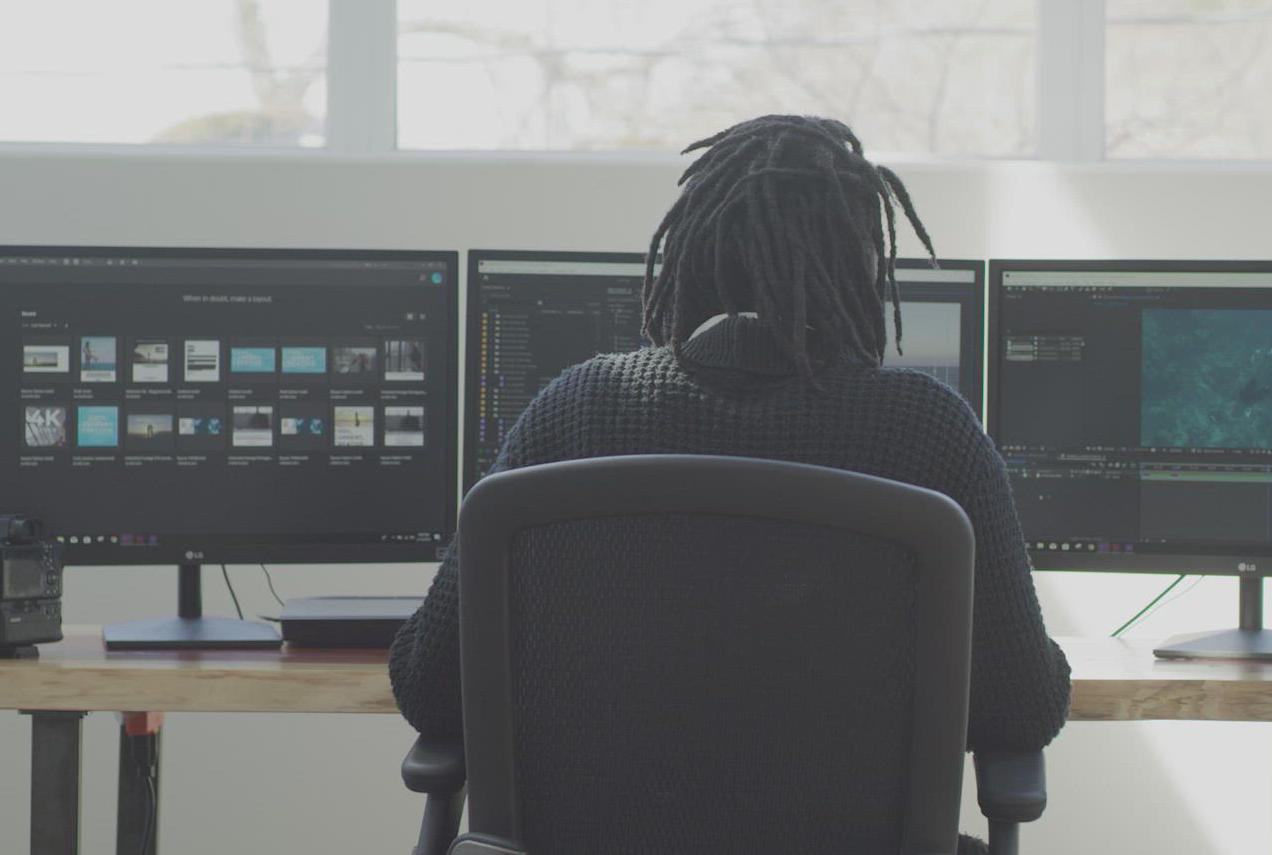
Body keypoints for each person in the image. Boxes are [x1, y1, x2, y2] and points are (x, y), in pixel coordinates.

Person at [390, 114, 1070, 854]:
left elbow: (431, 685)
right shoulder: (928, 432)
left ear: (690, 254)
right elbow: (1022, 709)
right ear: (863, 266)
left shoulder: (575, 410)